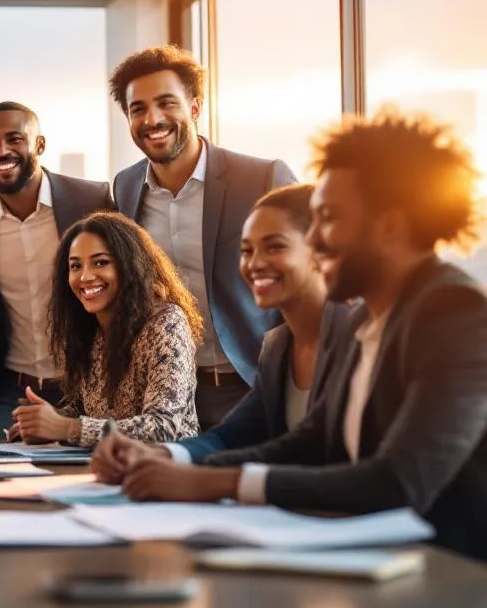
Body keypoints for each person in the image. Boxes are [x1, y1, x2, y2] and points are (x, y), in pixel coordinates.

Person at [114, 111, 487, 562]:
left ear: (391, 225)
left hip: (451, 582)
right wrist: (167, 463)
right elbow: (310, 442)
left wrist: (220, 482)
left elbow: (402, 479)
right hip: (372, 563)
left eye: (327, 219)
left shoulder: (454, 313)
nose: (316, 239)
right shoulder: (366, 320)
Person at [93, 184, 348, 478]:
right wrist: (158, 454)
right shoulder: (277, 347)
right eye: (246, 251)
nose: (255, 264)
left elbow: (315, 456)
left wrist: (211, 482)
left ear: (320, 248)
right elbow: (231, 435)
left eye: (275, 246)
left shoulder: (357, 337)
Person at [109, 45, 297, 430]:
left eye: (166, 103)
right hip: (169, 395)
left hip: (252, 386)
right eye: (138, 109)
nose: (153, 119)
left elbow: (312, 276)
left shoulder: (262, 178)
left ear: (194, 108)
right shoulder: (125, 188)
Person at [0, 101, 114, 438]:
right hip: (9, 394)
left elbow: (121, 283)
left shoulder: (90, 199)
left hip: (86, 386)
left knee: (82, 486)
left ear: (39, 145)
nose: (1, 151)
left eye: (14, 139)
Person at [8, 212, 201, 448]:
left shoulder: (167, 324)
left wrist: (67, 428)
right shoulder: (91, 327)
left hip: (166, 473)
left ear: (130, 265)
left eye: (101, 262)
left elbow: (162, 427)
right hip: (103, 469)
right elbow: (86, 408)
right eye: (76, 266)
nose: (86, 276)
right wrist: (46, 423)